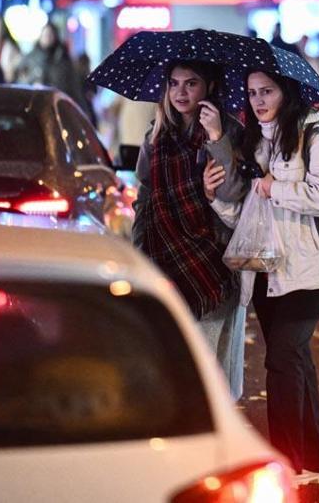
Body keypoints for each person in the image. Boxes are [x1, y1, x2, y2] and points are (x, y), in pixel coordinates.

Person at [203, 69, 319, 485]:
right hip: (269, 270)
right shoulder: (259, 142)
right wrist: (216, 201)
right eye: (252, 93)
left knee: (282, 359)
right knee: (295, 361)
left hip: (309, 269)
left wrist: (277, 188)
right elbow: (254, 213)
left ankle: (287, 464)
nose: (258, 100)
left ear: (286, 90)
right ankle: (315, 463)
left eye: (267, 91)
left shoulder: (315, 132)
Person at [131, 60, 248, 400]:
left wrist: (216, 137)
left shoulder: (230, 131)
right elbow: (146, 197)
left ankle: (216, 442)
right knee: (172, 360)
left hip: (212, 262)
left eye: (190, 84)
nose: (180, 92)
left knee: (209, 368)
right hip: (164, 257)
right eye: (174, 83)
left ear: (209, 87)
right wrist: (138, 253)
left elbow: (233, 194)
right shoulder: (156, 134)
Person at [16, 22, 91, 116]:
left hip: (58, 110)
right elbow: (20, 82)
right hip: (34, 109)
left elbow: (74, 88)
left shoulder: (64, 60)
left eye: (50, 35)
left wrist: (82, 112)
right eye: (45, 35)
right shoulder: (30, 59)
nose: (47, 38)